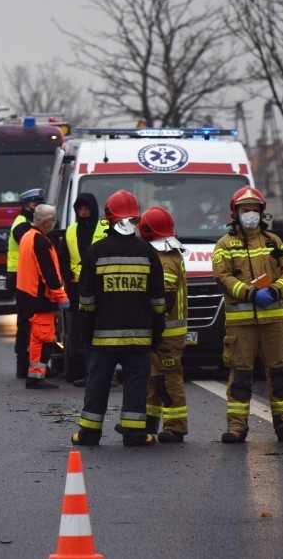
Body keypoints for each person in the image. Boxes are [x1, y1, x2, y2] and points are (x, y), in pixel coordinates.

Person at [212, 186, 283, 443]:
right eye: (246, 210)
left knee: (281, 374)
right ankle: (237, 428)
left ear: (262, 212)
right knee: (241, 376)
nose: (251, 214)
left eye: (255, 209)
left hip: (274, 322)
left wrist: (276, 290)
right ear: (236, 212)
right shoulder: (225, 244)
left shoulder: (273, 242)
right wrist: (251, 294)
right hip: (241, 325)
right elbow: (223, 277)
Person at [71, 190, 166, 447]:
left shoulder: (95, 252)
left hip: (102, 337)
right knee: (136, 385)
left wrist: (86, 333)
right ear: (135, 220)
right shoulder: (148, 253)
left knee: (97, 384)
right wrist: (156, 335)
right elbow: (158, 301)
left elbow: (86, 299)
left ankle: (89, 434)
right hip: (140, 336)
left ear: (108, 218)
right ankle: (135, 434)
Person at [138, 206, 189, 443]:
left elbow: (165, 298)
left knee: (168, 378)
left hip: (167, 332)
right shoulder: (163, 253)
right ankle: (149, 425)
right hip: (161, 330)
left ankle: (175, 427)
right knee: (153, 379)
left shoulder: (166, 258)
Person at [16, 203, 69, 390]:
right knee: (43, 337)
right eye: (53, 220)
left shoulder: (28, 237)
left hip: (28, 295)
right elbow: (48, 273)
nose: (54, 223)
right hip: (40, 298)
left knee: (36, 338)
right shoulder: (40, 241)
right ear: (47, 222)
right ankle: (36, 377)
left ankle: (36, 374)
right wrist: (61, 296)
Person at [57, 193, 106, 387]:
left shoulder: (105, 227)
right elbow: (62, 256)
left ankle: (105, 374)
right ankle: (84, 371)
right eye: (80, 209)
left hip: (101, 286)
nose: (83, 212)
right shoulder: (70, 231)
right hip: (76, 288)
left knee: (102, 330)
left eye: (86, 208)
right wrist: (66, 274)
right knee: (80, 332)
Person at [6, 188, 46, 379]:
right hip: (22, 279)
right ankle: (23, 366)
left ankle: (31, 365)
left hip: (25, 278)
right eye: (35, 204)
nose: (38, 207)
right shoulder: (22, 226)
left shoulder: (26, 223)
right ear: (27, 205)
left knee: (31, 324)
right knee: (25, 325)